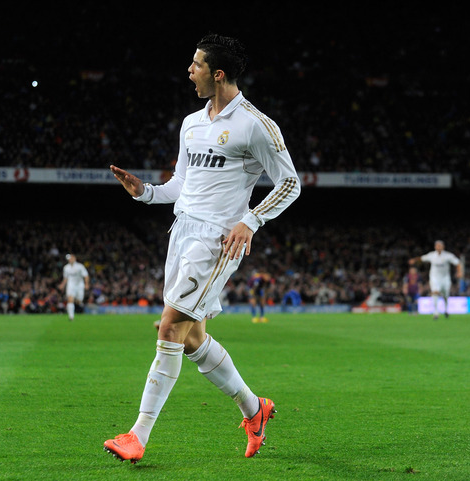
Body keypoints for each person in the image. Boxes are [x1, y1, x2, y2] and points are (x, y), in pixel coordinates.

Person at [104, 33, 300, 463]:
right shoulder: (191, 123)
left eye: (195, 65)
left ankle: (138, 435)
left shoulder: (255, 125)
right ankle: (255, 410)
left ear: (218, 74)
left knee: (169, 328)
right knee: (192, 339)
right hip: (182, 232)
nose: (188, 71)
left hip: (216, 241)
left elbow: (290, 183)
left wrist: (250, 221)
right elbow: (181, 187)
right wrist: (145, 192)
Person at [409, 240, 462, 319]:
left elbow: (458, 263)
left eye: (440, 246)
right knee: (435, 292)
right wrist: (414, 260)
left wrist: (459, 272)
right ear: (435, 247)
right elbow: (422, 258)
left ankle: (446, 310)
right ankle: (436, 312)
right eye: (437, 246)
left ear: (443, 247)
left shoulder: (448, 255)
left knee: (446, 295)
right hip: (434, 277)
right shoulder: (432, 255)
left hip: (445, 278)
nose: (438, 247)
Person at [58, 254, 89, 321]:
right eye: (68, 259)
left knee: (79, 301)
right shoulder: (66, 268)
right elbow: (65, 278)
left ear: (74, 258)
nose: (70, 260)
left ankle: (78, 302)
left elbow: (86, 275)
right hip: (71, 285)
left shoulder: (80, 266)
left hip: (79, 285)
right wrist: (62, 285)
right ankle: (71, 317)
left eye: (71, 258)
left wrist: (86, 284)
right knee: (70, 299)